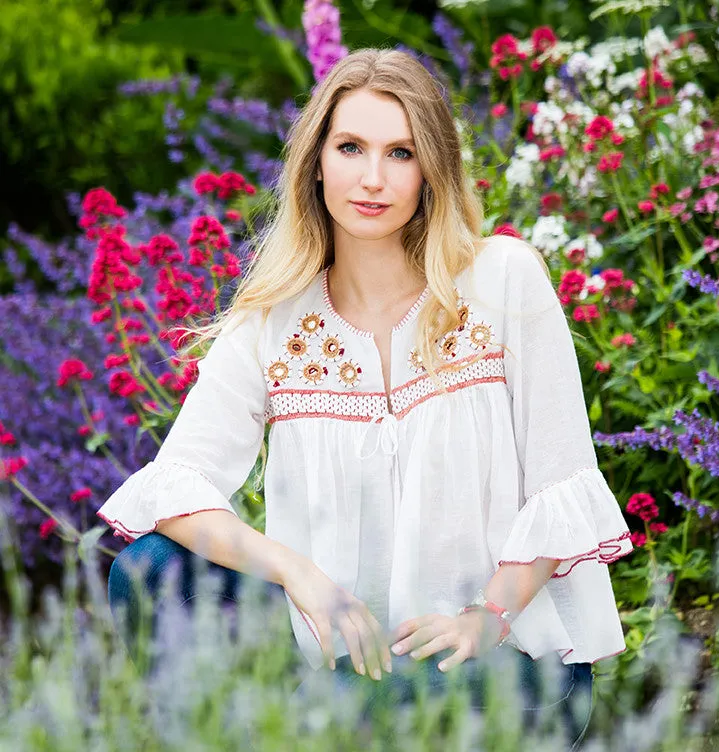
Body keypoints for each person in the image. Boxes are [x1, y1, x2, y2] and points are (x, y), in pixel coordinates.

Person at [98, 48, 633, 748]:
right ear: (317, 161)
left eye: (401, 153)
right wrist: (298, 574)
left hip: (499, 661)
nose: (373, 178)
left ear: (431, 170)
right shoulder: (272, 324)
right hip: (349, 666)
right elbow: (175, 489)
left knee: (351, 713)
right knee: (151, 573)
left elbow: (561, 487)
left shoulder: (504, 282)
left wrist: (485, 618)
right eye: (351, 147)